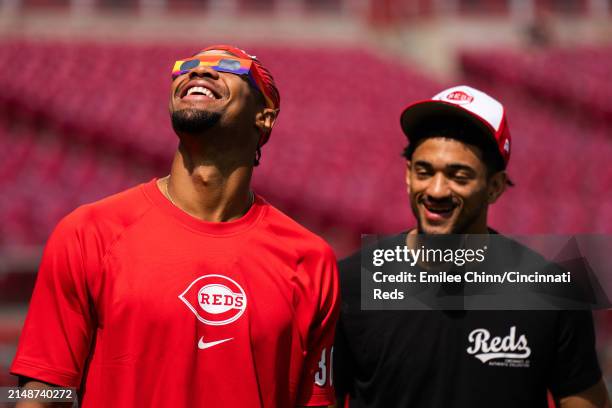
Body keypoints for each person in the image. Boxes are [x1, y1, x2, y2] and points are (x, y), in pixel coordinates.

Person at [11, 45, 339, 408]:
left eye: (230, 67)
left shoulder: (309, 259)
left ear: (264, 118)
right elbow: (41, 395)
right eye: (188, 67)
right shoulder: (88, 232)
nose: (199, 72)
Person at [333, 85, 610, 407]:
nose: (436, 190)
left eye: (459, 176)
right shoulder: (351, 282)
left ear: (495, 187)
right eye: (424, 172)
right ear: (408, 175)